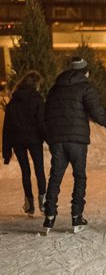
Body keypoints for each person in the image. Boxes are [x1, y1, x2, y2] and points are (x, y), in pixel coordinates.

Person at [43, 57, 106, 233]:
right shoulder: (85, 88)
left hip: (57, 140)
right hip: (77, 141)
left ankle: (49, 217)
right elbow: (98, 115)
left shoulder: (55, 88)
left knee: (55, 176)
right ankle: (76, 217)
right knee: (79, 177)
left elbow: (46, 114)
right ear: (85, 71)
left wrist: (51, 136)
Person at [2, 71, 47, 216]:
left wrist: (7, 152)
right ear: (35, 84)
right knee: (39, 170)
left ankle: (29, 206)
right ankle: (44, 203)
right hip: (34, 140)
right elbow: (41, 122)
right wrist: (49, 140)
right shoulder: (37, 99)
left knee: (25, 172)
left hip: (18, 141)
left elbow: (7, 127)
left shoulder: (13, 102)